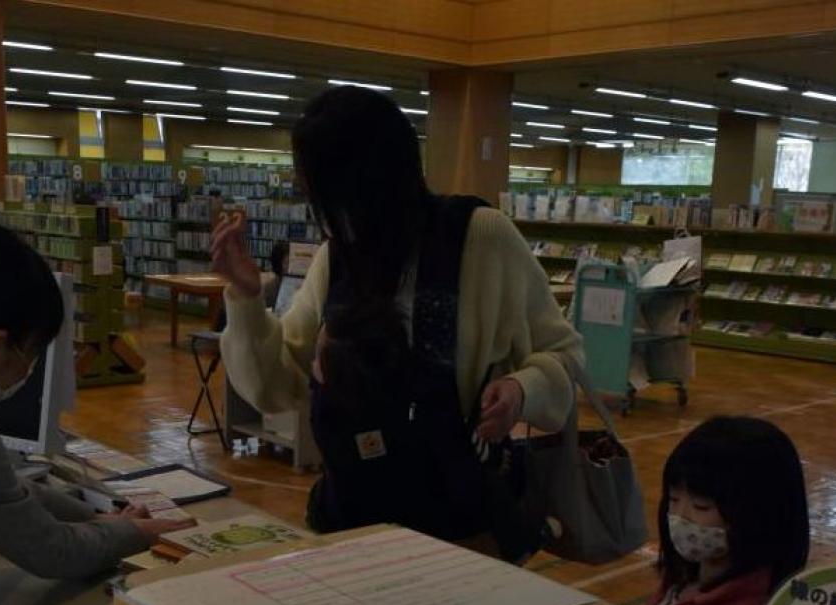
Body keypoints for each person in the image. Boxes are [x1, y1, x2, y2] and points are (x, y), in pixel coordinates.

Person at [212, 86, 583, 553]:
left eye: (333, 193)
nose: (330, 215)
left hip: (464, 534)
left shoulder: (480, 238)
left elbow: (566, 356)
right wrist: (247, 298)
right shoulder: (338, 258)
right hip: (350, 527)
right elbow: (277, 385)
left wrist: (521, 389)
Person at [0, 223, 188, 580]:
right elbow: (52, 551)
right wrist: (142, 533)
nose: (30, 367)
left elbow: (2, 488)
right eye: (32, 352)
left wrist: (96, 519)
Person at [629, 416, 809, 605]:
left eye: (700, 507)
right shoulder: (684, 581)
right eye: (673, 499)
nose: (680, 517)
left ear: (757, 515)